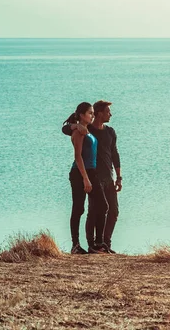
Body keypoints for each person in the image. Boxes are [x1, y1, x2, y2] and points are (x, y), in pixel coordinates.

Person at [63, 100, 122, 253]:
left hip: (94, 173)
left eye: (92, 113)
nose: (92, 115)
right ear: (82, 115)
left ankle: (100, 244)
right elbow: (77, 156)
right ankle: (77, 245)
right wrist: (75, 126)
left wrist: (118, 176)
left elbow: (114, 153)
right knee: (80, 208)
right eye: (90, 113)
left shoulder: (93, 131)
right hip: (81, 173)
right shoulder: (81, 130)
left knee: (105, 207)